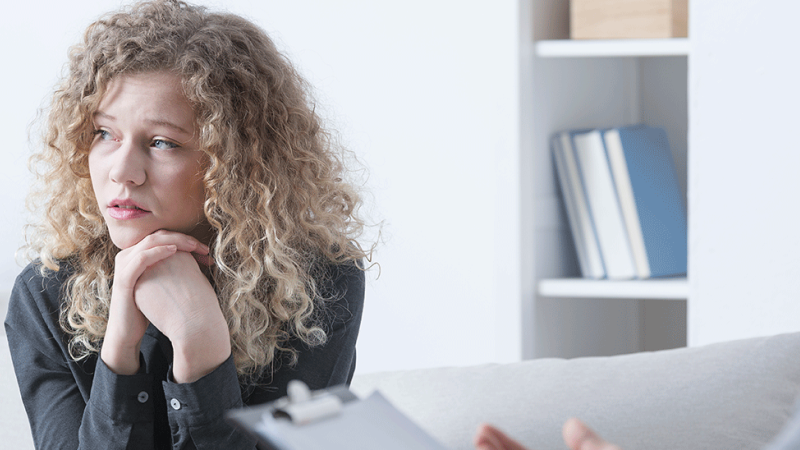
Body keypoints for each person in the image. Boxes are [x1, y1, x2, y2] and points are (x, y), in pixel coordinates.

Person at [3, 0, 371, 448]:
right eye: (105, 133)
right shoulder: (44, 294)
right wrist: (119, 353)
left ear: (235, 164)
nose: (122, 172)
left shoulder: (319, 284)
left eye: (162, 142)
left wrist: (200, 344)